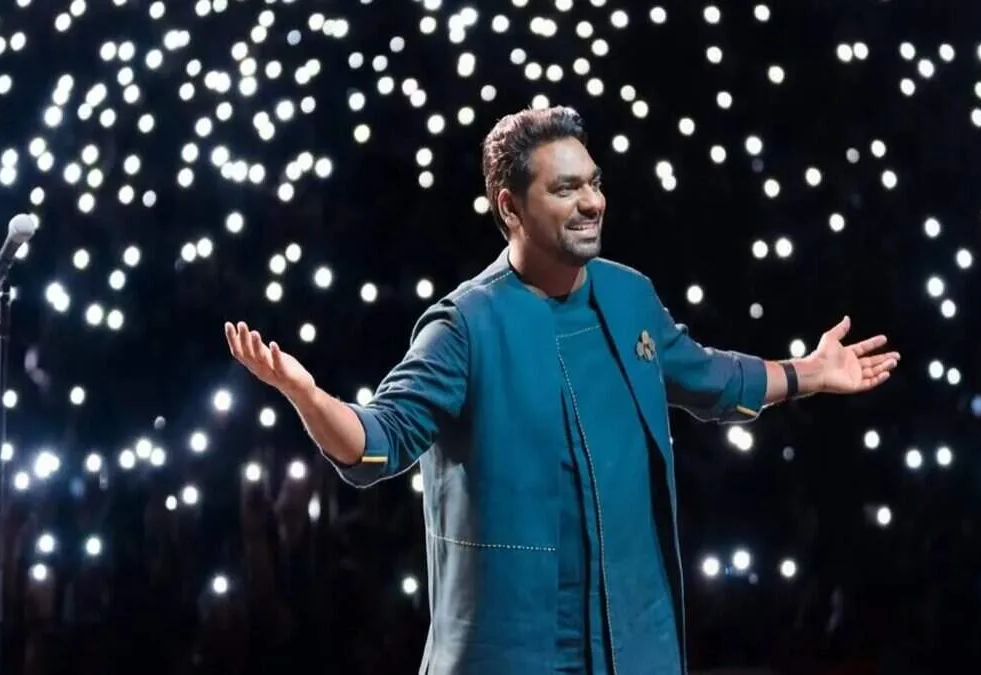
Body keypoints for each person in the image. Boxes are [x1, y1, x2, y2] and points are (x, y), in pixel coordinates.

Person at [224, 105, 899, 675]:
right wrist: (308, 397)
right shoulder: (465, 325)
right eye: (567, 188)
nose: (593, 202)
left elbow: (712, 377)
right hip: (511, 653)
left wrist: (810, 372)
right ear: (510, 206)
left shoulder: (629, 295)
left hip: (636, 645)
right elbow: (378, 442)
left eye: (595, 183)